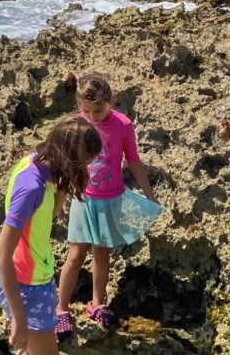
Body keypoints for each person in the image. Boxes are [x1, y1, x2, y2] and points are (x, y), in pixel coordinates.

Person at [0, 114, 102, 355]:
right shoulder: (32, 185)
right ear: (69, 156)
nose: (84, 170)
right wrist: (18, 317)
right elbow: (0, 256)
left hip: (35, 281)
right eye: (83, 163)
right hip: (24, 287)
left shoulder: (39, 165)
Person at [55, 73, 160, 339]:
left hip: (111, 199)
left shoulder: (123, 125)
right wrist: (63, 197)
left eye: (98, 110)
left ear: (110, 101)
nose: (93, 117)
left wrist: (149, 194)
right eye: (86, 111)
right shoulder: (79, 123)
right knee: (76, 256)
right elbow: (68, 163)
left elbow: (133, 161)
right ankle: (60, 309)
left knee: (102, 253)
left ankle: (98, 303)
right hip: (83, 198)